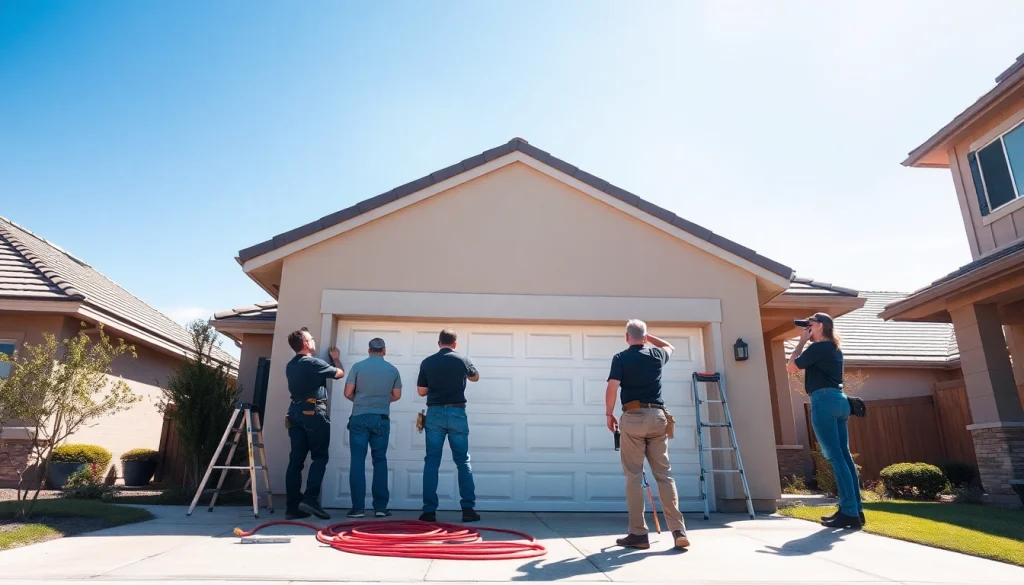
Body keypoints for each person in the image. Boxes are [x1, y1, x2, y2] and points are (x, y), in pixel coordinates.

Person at [605, 319, 689, 550]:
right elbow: (670, 346)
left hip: (633, 417)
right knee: (664, 475)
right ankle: (678, 530)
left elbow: (612, 386)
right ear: (644, 336)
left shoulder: (621, 358)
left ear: (626, 337)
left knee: (633, 476)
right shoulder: (656, 355)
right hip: (658, 417)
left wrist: (608, 414)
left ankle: (639, 534)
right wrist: (648, 337)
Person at [786, 312, 864, 529]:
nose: (806, 330)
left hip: (824, 401)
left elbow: (791, 367)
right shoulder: (834, 348)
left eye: (809, 325)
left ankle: (849, 512)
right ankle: (855, 510)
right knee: (845, 457)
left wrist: (801, 341)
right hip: (839, 401)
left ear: (820, 326)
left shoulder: (818, 348)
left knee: (835, 457)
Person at [416, 328, 481, 523]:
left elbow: (421, 391)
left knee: (432, 461)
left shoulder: (427, 362)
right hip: (456, 413)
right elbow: (475, 377)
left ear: (439, 343)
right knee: (463, 461)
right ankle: (468, 510)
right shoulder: (462, 359)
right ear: (455, 343)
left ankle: (429, 511)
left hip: (434, 412)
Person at [284, 327, 345, 521]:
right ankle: (310, 499)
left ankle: (292, 508)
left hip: (294, 413)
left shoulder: (290, 365)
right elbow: (339, 374)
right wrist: (335, 358)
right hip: (313, 414)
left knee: (296, 462)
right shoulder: (313, 363)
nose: (313, 341)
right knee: (319, 457)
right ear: (306, 343)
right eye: (311, 339)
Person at [343, 337, 402, 519]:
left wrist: (361, 401)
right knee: (380, 461)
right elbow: (396, 395)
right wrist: (381, 402)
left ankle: (358, 509)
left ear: (369, 350)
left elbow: (347, 393)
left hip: (359, 417)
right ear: (384, 350)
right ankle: (381, 508)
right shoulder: (392, 370)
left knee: (358, 461)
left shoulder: (358, 367)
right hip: (381, 418)